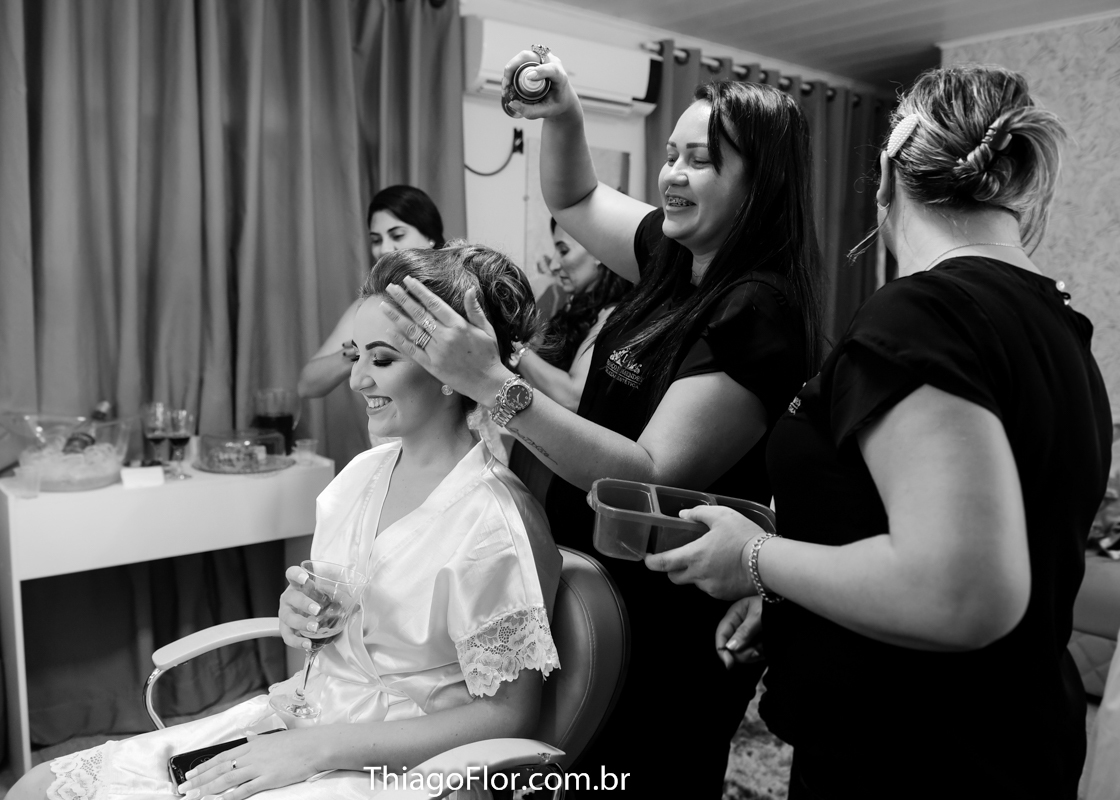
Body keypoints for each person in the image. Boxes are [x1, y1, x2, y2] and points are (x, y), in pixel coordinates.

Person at [647, 64, 1110, 799]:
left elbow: (958, 590)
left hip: (912, 758)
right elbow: (917, 520)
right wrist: (799, 601)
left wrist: (755, 557)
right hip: (1013, 739)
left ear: (889, 173)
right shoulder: (1058, 322)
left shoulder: (920, 315)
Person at [377, 46, 825, 790]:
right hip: (598, 583)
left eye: (701, 161)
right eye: (671, 155)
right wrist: (565, 113)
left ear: (760, 184)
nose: (673, 174)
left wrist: (494, 383)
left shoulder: (758, 311)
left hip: (670, 614)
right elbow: (576, 195)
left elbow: (647, 476)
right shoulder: (671, 256)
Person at [7, 244, 560, 800]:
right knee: (38, 789)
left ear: (449, 371)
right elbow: (339, 617)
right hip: (304, 716)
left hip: (397, 763)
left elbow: (507, 715)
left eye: (382, 360)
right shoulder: (362, 476)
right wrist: (300, 615)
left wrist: (317, 750)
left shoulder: (490, 521)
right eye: (355, 356)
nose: (356, 380)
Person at [297, 185, 444, 403]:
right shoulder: (373, 304)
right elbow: (307, 385)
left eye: (397, 235)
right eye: (376, 240)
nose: (384, 249)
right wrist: (361, 350)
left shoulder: (458, 293)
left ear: (430, 235)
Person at [513, 219, 631, 412]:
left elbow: (573, 396)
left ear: (599, 252)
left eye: (564, 251)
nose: (554, 265)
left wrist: (513, 346)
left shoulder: (614, 314)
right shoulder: (570, 302)